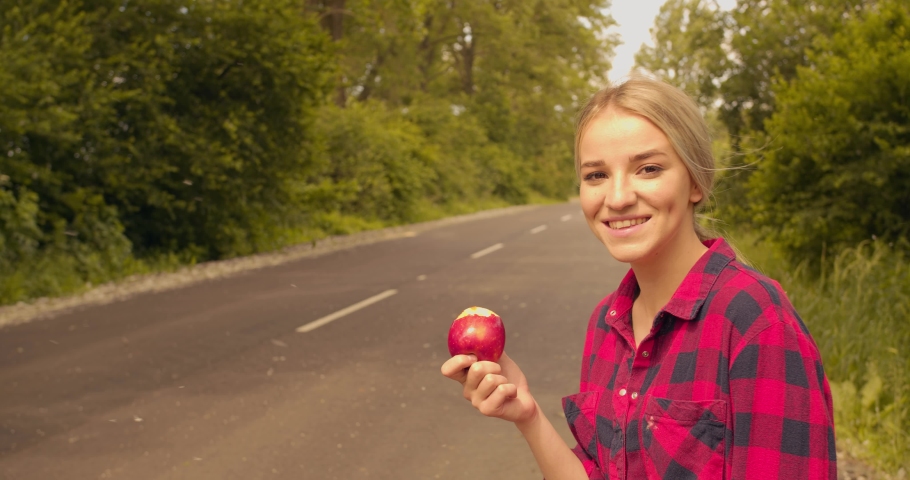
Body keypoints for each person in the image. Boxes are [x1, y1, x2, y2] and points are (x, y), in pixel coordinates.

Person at [440, 77, 837, 479]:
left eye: (648, 169)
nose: (617, 198)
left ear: (696, 181)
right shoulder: (606, 323)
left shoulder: (754, 320)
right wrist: (528, 415)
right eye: (596, 175)